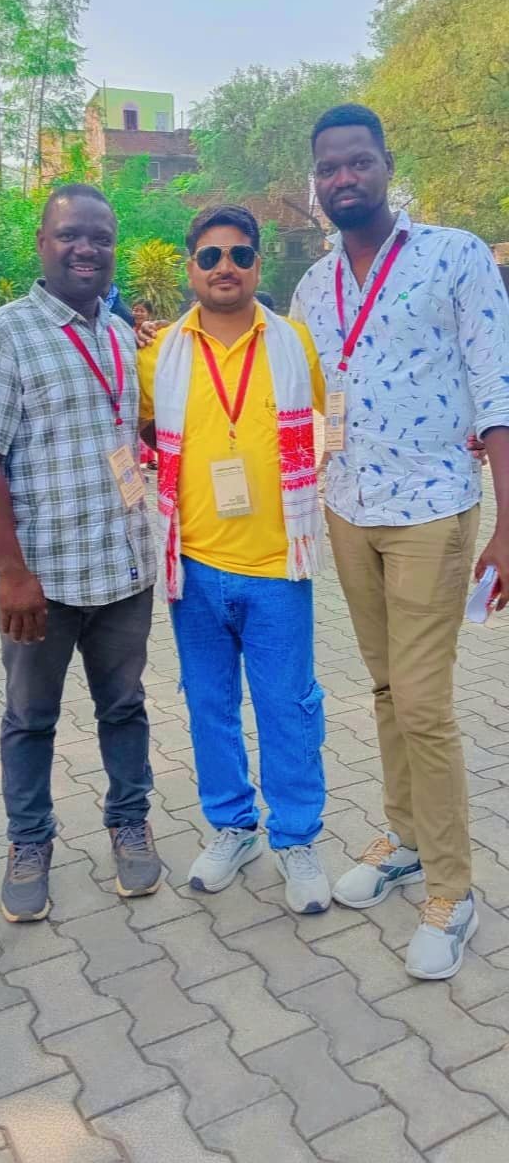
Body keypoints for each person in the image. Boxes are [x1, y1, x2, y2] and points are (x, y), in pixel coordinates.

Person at [291, 103, 509, 979]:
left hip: (432, 508)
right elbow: (305, 404)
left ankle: (453, 891)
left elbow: (497, 387)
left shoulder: (455, 255)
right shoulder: (313, 286)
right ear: (316, 184)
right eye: (328, 168)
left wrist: (507, 524)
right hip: (349, 508)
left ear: (387, 165)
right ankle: (406, 838)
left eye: (358, 162)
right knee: (385, 688)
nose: (343, 178)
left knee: (423, 702)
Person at [0, 183, 161, 923]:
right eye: (71, 234)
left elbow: (124, 434)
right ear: (43, 243)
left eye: (100, 238)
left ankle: (129, 822)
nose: (86, 249)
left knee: (125, 708)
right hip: (42, 579)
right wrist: (12, 574)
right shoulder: (3, 334)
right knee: (30, 718)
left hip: (125, 568)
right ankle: (28, 842)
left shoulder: (119, 334)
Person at [138, 204, 330, 915]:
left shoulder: (294, 343)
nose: (226, 267)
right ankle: (232, 827)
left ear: (256, 264)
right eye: (212, 255)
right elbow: (140, 434)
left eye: (241, 254)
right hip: (192, 567)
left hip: (278, 564)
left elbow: (326, 422)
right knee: (210, 706)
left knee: (289, 708)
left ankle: (297, 839)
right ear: (191, 266)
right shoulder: (158, 355)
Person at [132, 302, 159, 470]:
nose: (137, 313)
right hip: (146, 418)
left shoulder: (161, 334)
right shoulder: (128, 333)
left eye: (141, 310)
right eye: (135, 310)